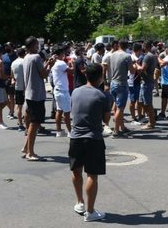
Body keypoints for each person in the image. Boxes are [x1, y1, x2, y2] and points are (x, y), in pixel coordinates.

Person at [69, 63, 111, 222]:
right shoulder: (101, 95)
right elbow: (106, 119)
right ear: (100, 77)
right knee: (92, 175)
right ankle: (90, 211)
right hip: (93, 138)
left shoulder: (75, 92)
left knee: (76, 170)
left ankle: (79, 202)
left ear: (86, 75)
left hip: (75, 137)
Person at [22, 36, 56, 161]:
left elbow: (38, 71)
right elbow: (43, 74)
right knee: (35, 124)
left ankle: (26, 148)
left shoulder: (26, 57)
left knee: (32, 122)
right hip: (36, 94)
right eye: (37, 45)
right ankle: (30, 153)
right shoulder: (36, 57)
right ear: (32, 46)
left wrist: (47, 63)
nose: (38, 47)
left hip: (30, 93)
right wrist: (50, 65)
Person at [108, 40, 136, 138]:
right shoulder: (127, 56)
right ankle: (116, 130)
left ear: (119, 45)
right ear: (127, 46)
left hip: (113, 82)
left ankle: (122, 127)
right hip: (121, 84)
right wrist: (135, 66)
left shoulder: (112, 55)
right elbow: (132, 71)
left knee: (116, 105)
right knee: (120, 108)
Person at [51, 45, 73, 137]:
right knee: (67, 113)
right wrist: (72, 63)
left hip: (57, 89)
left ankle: (59, 131)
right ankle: (70, 132)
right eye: (63, 52)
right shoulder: (61, 63)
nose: (64, 54)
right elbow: (71, 71)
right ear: (60, 53)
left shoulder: (54, 63)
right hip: (63, 90)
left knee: (59, 111)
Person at [139, 41, 158, 130]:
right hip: (147, 82)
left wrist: (135, 65)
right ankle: (151, 118)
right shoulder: (153, 56)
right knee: (142, 102)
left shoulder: (147, 56)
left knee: (148, 103)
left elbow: (143, 69)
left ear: (145, 46)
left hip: (147, 82)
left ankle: (151, 122)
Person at [11, 48, 27, 131]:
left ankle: (20, 123)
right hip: (25, 87)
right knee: (27, 106)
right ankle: (26, 121)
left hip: (17, 86)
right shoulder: (24, 62)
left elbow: (12, 76)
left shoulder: (13, 63)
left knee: (19, 106)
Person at [2, 43, 17, 120]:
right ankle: (11, 109)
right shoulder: (3, 56)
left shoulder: (15, 56)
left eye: (8, 46)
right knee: (5, 98)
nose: (6, 47)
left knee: (11, 97)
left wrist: (13, 78)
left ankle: (11, 112)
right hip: (3, 79)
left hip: (12, 79)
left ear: (11, 47)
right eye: (5, 46)